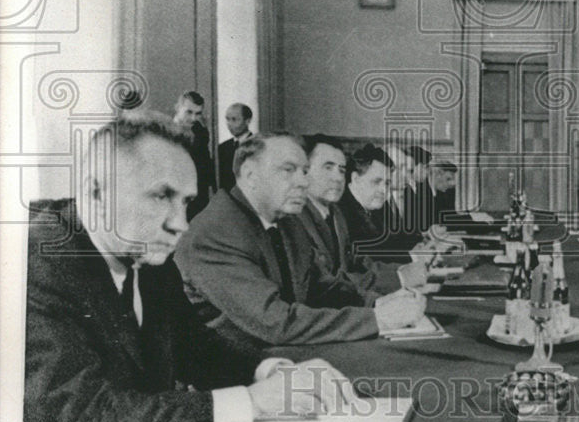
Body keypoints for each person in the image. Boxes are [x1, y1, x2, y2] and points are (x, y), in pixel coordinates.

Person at [24, 113, 355, 422]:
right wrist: (252, 401)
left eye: (184, 201)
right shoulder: (37, 263)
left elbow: (193, 346)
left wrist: (275, 372)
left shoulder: (144, 252)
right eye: (160, 196)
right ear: (95, 192)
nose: (181, 224)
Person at [174, 133, 425, 351]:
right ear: (250, 175)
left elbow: (320, 285)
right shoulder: (215, 232)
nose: (304, 182)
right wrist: (377, 319)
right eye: (288, 170)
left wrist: (376, 302)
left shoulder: (286, 221)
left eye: (304, 171)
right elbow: (274, 321)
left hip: (290, 354)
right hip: (243, 373)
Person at [296, 134, 407, 296]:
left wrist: (405, 273)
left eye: (341, 170)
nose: (338, 177)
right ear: (305, 171)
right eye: (328, 167)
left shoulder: (336, 214)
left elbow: (361, 263)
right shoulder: (295, 220)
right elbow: (326, 285)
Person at [173, 90, 216, 220]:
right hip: (175, 197)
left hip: (198, 198)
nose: (193, 118)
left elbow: (205, 163)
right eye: (189, 112)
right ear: (178, 108)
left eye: (198, 114)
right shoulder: (165, 131)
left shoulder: (201, 132)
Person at [217, 103, 253, 191]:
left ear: (247, 121)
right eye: (227, 119)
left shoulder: (256, 144)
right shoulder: (222, 147)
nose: (229, 124)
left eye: (234, 119)